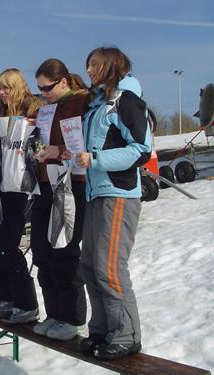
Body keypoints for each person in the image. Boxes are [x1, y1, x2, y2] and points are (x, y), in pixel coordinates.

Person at [76, 46, 151, 360]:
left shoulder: (126, 102)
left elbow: (141, 150)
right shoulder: (97, 104)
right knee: (90, 266)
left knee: (109, 268)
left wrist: (95, 159)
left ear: (110, 66)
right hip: (95, 194)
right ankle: (103, 329)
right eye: (88, 64)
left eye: (94, 64)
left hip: (118, 195)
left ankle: (127, 335)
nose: (89, 70)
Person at [30, 59, 89, 340]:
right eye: (39, 89)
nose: (43, 94)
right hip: (45, 183)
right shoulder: (46, 108)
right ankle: (53, 313)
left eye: (47, 88)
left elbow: (84, 146)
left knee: (63, 252)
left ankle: (72, 318)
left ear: (63, 81)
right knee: (41, 251)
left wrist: (57, 150)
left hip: (70, 183)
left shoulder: (82, 103)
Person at [0, 68, 44, 324]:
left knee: (9, 246)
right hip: (1, 184)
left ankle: (28, 303)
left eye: (6, 88)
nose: (1, 93)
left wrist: (32, 140)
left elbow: (39, 144)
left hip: (21, 187)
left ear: (18, 86)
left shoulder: (33, 109)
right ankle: (7, 298)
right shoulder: (1, 115)